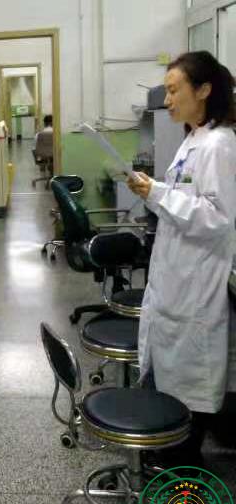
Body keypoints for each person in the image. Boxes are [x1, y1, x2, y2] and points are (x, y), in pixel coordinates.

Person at [127, 51, 236, 467]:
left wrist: (157, 193)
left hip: (195, 290)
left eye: (174, 91)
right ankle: (167, 465)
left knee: (187, 404)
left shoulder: (219, 144)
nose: (167, 100)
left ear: (204, 90)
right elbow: (182, 201)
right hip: (175, 281)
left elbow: (217, 218)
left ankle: (184, 487)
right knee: (170, 389)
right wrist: (153, 191)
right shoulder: (193, 140)